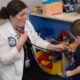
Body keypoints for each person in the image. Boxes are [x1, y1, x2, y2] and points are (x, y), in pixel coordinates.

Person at [0, 0, 66, 80]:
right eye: (21, 15)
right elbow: (4, 60)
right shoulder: (2, 32)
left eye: (26, 14)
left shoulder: (27, 23)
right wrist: (19, 44)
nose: (26, 18)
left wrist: (52, 47)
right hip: (16, 73)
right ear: (11, 16)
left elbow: (36, 39)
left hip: (32, 66)